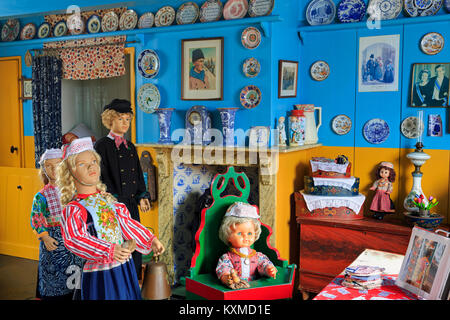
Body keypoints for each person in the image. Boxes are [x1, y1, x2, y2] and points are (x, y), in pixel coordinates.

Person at [56, 137, 165, 300]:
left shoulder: (109, 200)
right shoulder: (74, 209)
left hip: (123, 267)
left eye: (93, 161)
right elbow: (75, 239)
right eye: (81, 164)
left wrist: (150, 239)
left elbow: (127, 223)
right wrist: (110, 249)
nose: (91, 166)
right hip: (100, 273)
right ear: (70, 172)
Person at [94, 99, 151, 280]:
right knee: (118, 241)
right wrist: (112, 198)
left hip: (131, 203)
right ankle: (118, 280)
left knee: (133, 240)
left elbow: (138, 173)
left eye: (128, 119)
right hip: (112, 204)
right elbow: (101, 175)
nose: (125, 123)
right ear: (110, 120)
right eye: (121, 119)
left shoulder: (130, 146)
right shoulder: (102, 145)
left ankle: (133, 279)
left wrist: (142, 195)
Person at [30, 148, 83, 300]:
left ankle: (75, 296)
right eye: (48, 166)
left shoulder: (74, 191)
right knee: (53, 274)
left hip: (73, 238)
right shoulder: (41, 196)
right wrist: (45, 236)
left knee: (75, 272)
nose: (53, 169)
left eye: (58, 165)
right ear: (44, 169)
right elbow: (37, 217)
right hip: (53, 241)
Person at [216, 202, 277, 289]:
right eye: (240, 233)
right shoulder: (227, 257)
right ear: (228, 235)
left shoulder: (257, 256)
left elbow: (263, 263)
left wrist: (268, 269)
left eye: (249, 233)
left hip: (254, 288)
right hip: (236, 289)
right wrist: (226, 277)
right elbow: (224, 267)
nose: (246, 237)